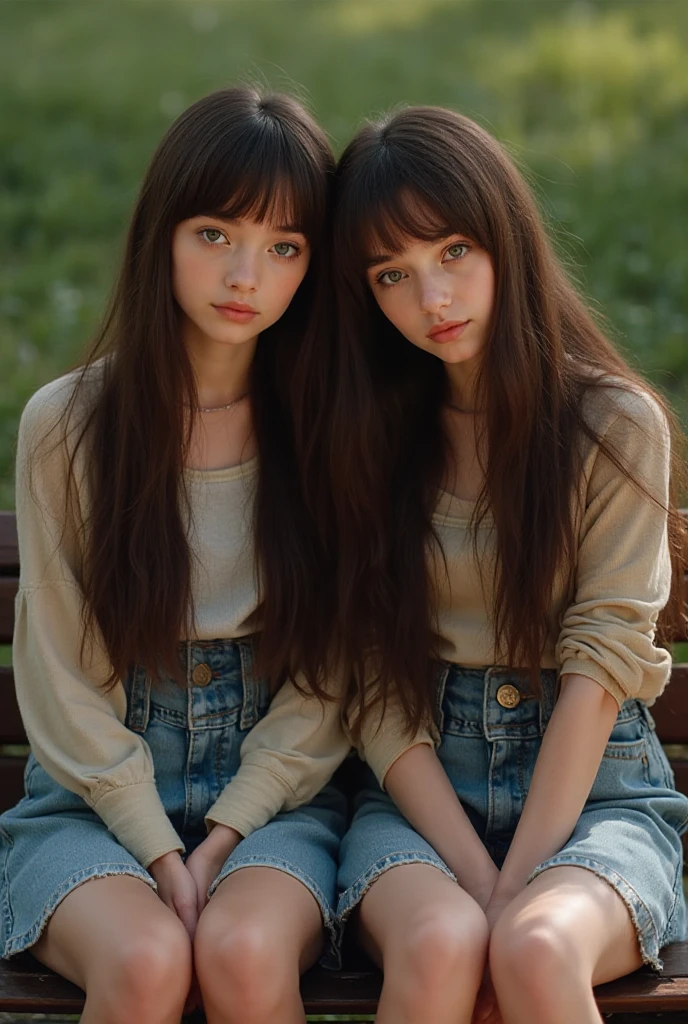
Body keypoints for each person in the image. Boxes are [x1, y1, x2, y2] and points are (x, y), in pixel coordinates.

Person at [0, 86, 424, 1024]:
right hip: (88, 799)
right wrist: (157, 848)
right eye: (214, 234)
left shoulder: (331, 430)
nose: (244, 275)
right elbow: (60, 672)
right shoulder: (68, 427)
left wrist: (227, 831)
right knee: (146, 961)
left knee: (241, 951)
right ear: (160, 234)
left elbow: (331, 674)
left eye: (284, 248)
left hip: (280, 798)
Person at [323, 106, 688, 1024]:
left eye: (454, 251)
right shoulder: (367, 440)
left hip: (598, 791)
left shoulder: (613, 425)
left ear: (506, 238)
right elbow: (372, 683)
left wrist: (515, 892)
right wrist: (480, 887)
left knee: (534, 946)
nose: (432, 297)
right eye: (392, 274)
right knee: (442, 942)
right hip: (419, 796)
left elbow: (600, 667)